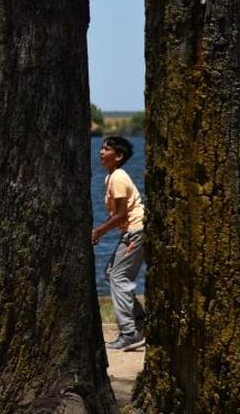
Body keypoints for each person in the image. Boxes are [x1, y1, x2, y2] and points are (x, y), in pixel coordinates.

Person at [91, 135, 147, 351]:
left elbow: (122, 214)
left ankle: (129, 333)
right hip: (130, 232)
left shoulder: (119, 178)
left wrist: (98, 232)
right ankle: (140, 322)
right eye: (102, 148)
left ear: (119, 156)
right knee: (110, 273)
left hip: (136, 231)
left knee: (117, 276)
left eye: (107, 149)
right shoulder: (110, 178)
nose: (101, 152)